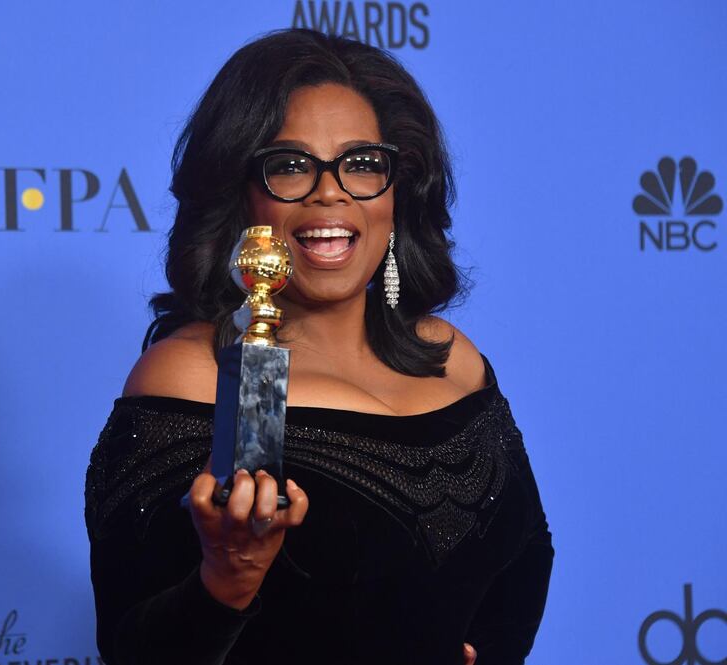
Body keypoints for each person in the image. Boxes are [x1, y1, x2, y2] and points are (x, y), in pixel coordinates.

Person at [85, 28, 554, 665]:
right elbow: (133, 651)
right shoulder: (195, 378)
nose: (328, 191)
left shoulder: (453, 357)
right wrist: (225, 584)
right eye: (289, 164)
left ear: (397, 190)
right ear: (240, 195)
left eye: (362, 164)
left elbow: (527, 550)